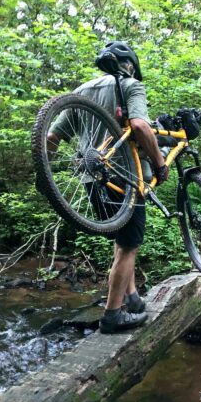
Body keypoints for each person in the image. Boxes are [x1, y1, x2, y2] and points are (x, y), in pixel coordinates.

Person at [46, 41, 169, 333]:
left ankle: (133, 298)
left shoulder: (81, 92)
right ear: (130, 65)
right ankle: (113, 315)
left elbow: (52, 137)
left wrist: (45, 175)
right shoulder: (130, 86)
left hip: (92, 180)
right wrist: (160, 163)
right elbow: (140, 126)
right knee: (129, 246)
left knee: (122, 239)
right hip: (125, 178)